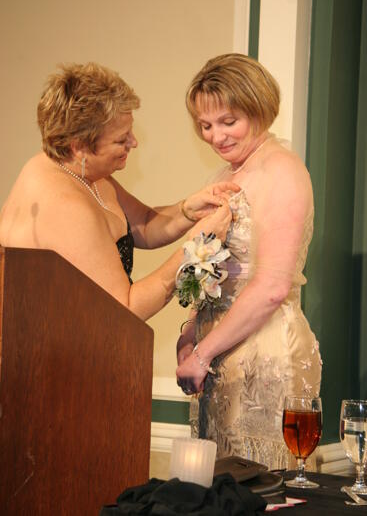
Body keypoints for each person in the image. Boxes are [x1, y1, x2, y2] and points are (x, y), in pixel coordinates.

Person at [0, 62, 239, 321]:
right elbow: (123, 310)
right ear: (79, 146)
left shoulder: (83, 171)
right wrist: (196, 247)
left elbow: (143, 226)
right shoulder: (64, 206)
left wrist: (187, 211)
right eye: (120, 139)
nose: (133, 143)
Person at [176, 54, 322, 470]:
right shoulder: (223, 175)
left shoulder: (282, 171)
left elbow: (273, 286)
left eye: (228, 121)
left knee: (259, 483)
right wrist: (191, 332)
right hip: (218, 352)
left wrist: (202, 354)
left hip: (265, 352)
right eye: (205, 125)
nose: (215, 136)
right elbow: (210, 269)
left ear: (258, 108)